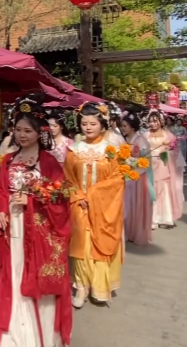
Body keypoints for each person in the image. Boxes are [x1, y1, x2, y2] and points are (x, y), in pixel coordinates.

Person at [0, 94, 72, 347]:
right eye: (18, 129)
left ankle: (38, 334)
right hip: (12, 227)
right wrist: (2, 208)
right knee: (12, 272)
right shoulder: (8, 160)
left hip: (37, 230)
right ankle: (12, 330)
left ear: (39, 132)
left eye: (27, 130)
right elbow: (1, 190)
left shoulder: (49, 163)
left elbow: (60, 199)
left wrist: (32, 201)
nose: (22, 135)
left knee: (33, 273)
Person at [63, 102, 125, 309]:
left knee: (100, 243)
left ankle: (99, 286)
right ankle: (81, 286)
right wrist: (79, 197)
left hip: (104, 207)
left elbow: (118, 178)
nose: (88, 127)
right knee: (82, 244)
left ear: (102, 125)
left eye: (92, 123)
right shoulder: (74, 149)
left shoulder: (112, 150)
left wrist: (94, 195)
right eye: (84, 123)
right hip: (79, 205)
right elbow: (68, 178)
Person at [146, 110, 184, 229]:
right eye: (150, 121)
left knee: (163, 190)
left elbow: (176, 151)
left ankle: (164, 217)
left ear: (161, 121)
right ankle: (151, 218)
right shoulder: (144, 135)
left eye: (155, 121)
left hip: (163, 164)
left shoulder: (168, 135)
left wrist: (167, 152)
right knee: (151, 190)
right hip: (148, 164)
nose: (153, 124)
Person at [120, 111, 153, 246]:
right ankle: (126, 232)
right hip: (125, 176)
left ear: (133, 127)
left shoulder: (141, 141)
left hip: (138, 177)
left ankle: (135, 231)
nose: (123, 128)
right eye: (122, 126)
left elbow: (147, 160)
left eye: (125, 126)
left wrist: (133, 162)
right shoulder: (123, 140)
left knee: (135, 205)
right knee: (126, 205)